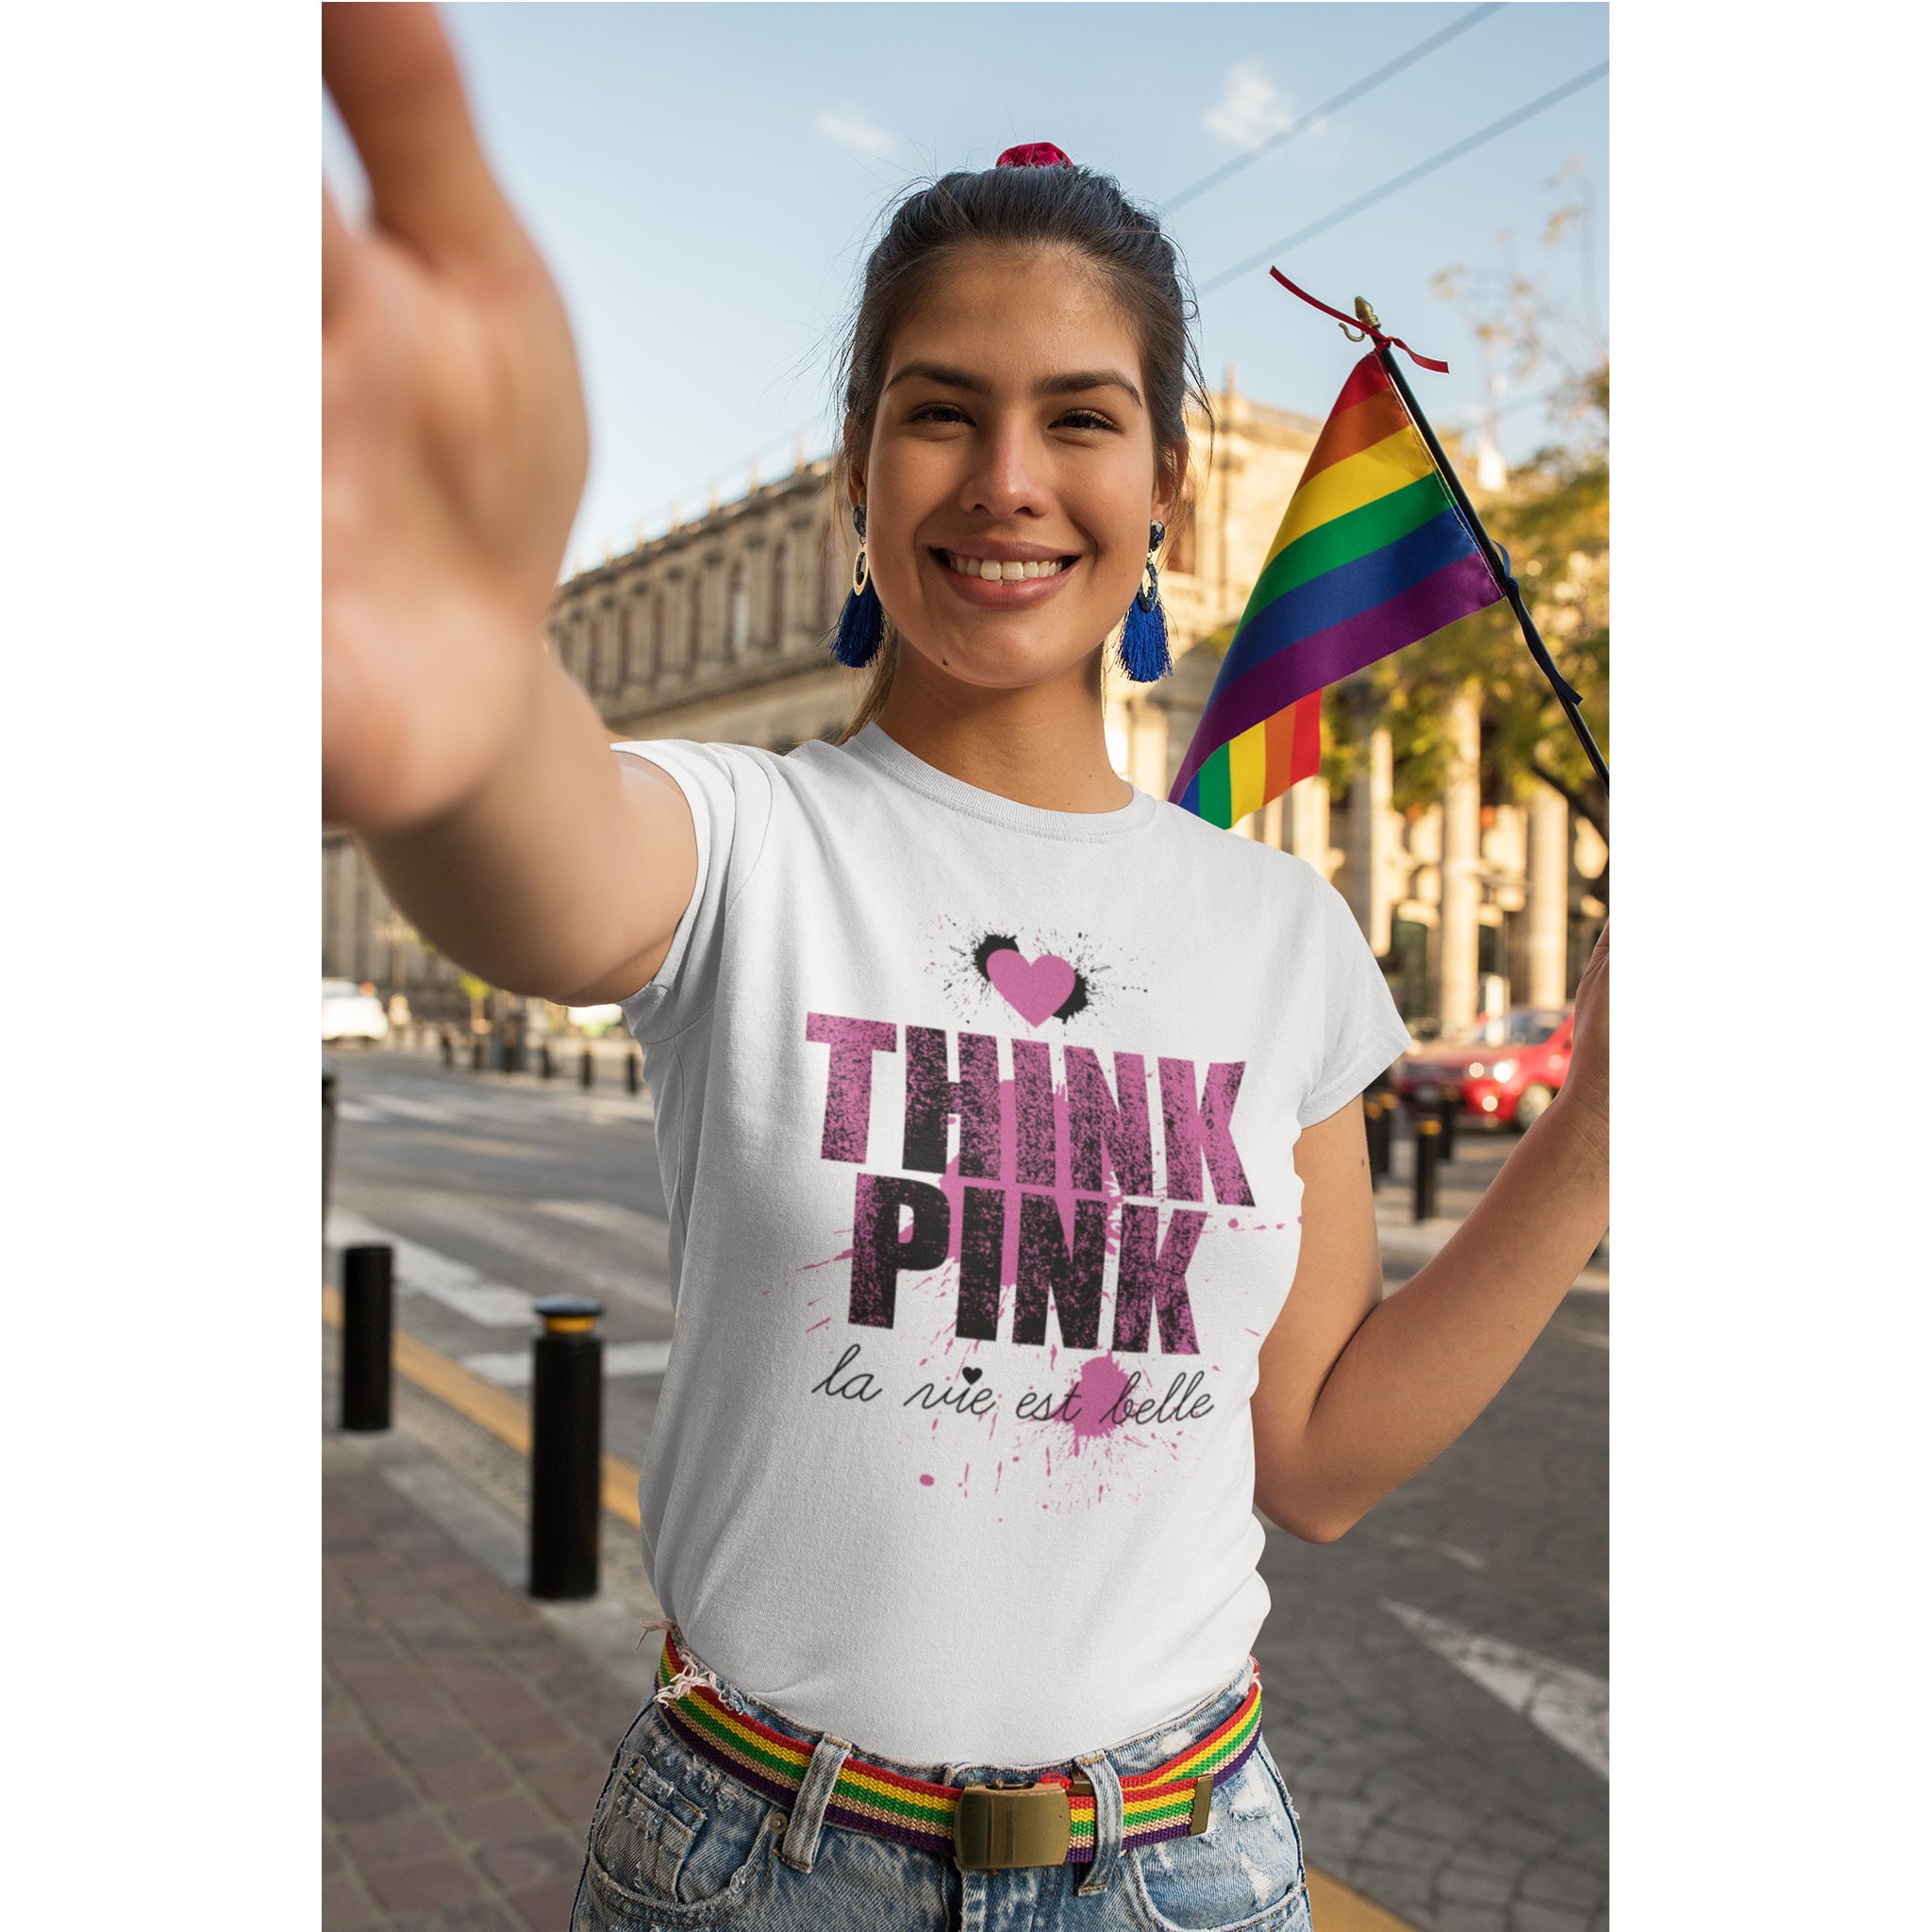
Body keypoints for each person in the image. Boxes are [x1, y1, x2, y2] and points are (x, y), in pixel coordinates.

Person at [322, 9, 1608, 1929]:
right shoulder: (749, 836)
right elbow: (548, 875)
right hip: (757, 1863)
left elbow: (1320, 1457)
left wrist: (1601, 1132)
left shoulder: (1281, 940)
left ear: (1166, 484)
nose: (1007, 475)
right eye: (940, 409)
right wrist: (466, 684)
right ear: (856, 467)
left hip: (1182, 1869)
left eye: (1080, 415)